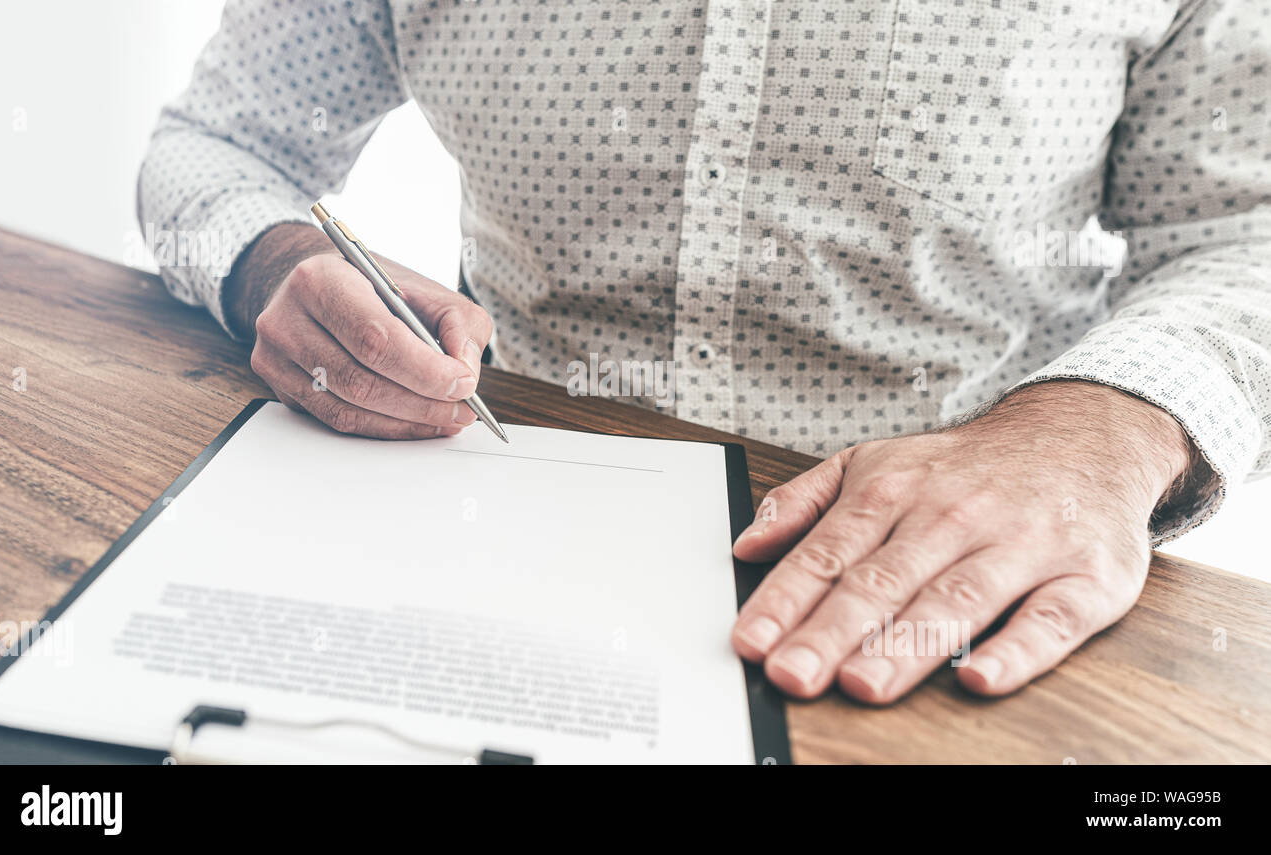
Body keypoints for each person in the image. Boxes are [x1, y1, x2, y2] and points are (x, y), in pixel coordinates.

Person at [139, 0, 1270, 703]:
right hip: (483, 523)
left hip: (967, 582)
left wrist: (1093, 438)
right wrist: (270, 263)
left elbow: (1241, 232)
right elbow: (218, 145)